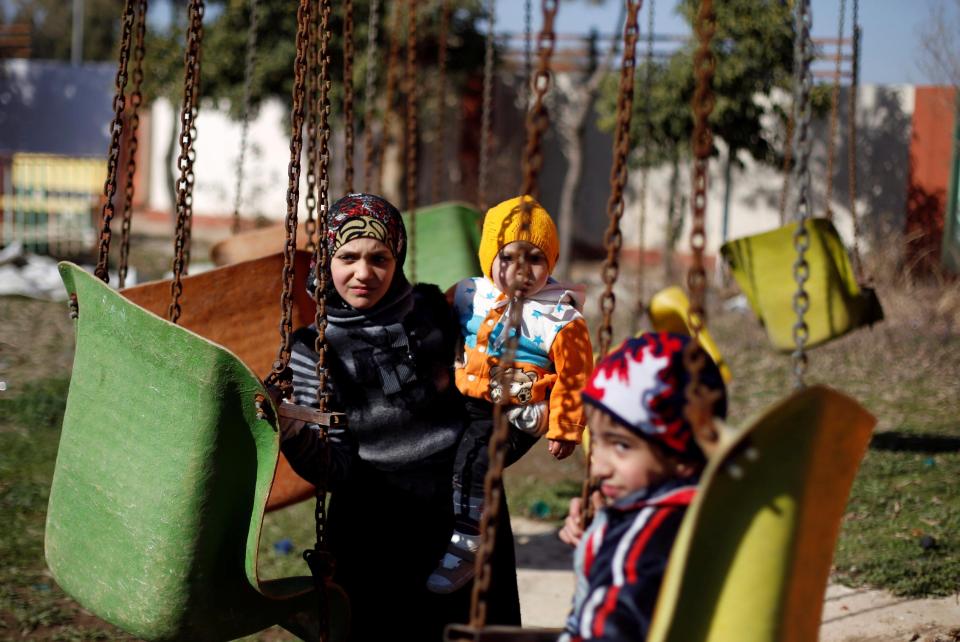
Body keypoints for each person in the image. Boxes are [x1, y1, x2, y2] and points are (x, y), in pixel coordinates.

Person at [276, 193, 521, 641]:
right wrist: (292, 431)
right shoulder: (312, 350)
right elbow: (336, 469)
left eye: (379, 258)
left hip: (461, 509)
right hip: (376, 524)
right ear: (327, 258)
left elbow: (479, 402)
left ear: (398, 257)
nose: (364, 274)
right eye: (348, 257)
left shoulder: (434, 310)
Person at [427, 195, 594, 594]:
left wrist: (565, 427)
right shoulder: (469, 293)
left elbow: (577, 375)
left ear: (550, 263)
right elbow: (435, 321)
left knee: (476, 458)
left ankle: (470, 543)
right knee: (442, 450)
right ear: (490, 257)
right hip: (469, 395)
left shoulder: (560, 316)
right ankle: (445, 524)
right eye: (509, 257)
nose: (520, 270)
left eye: (534, 258)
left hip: (520, 407)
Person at [557, 332, 728, 641]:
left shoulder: (643, 536)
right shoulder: (710, 507)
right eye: (596, 440)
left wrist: (611, 539)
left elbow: (607, 630)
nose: (598, 467)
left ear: (682, 457)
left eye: (621, 445)